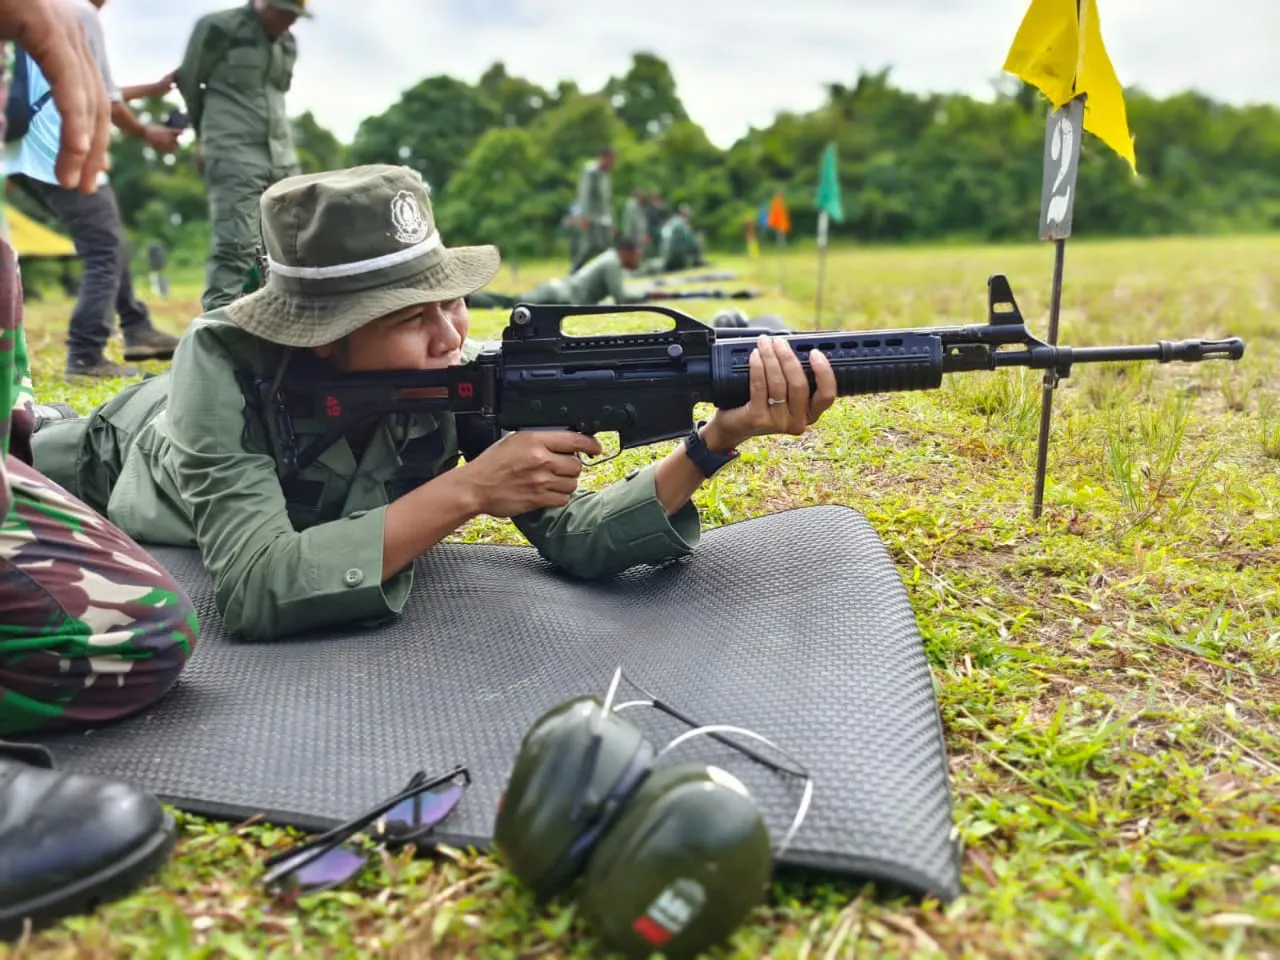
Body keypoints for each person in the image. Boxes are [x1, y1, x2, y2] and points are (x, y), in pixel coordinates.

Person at [31, 163, 838, 646]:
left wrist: (716, 441)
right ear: (324, 336)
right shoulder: (226, 373)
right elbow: (256, 588)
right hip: (122, 452)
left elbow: (578, 541)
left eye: (452, 300)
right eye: (413, 316)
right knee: (31, 452)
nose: (452, 330)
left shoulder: (453, 376)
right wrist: (469, 490)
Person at [0, 0, 197, 939]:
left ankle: (99, 354)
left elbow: (106, 98)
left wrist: (147, 110)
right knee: (125, 636)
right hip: (37, 150)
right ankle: (91, 347)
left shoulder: (76, 17)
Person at [5, 0, 183, 379]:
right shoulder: (80, 13)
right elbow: (105, 98)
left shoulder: (48, 9)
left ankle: (137, 327)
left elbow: (89, 85)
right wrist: (146, 132)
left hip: (21, 153)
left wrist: (152, 89)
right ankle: (86, 356)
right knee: (105, 247)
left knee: (108, 238)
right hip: (60, 149)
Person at [175, 0, 309, 313]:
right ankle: (218, 330)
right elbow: (190, 82)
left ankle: (277, 321)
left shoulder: (288, 43)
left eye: (295, 15)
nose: (289, 21)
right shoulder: (219, 28)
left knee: (292, 244)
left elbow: (277, 94)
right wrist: (204, 138)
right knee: (236, 244)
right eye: (283, 12)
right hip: (233, 149)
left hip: (282, 153)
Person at [466, 236, 648, 310]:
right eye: (637, 255)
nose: (639, 260)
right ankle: (467, 299)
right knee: (511, 304)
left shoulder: (610, 259)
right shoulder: (613, 263)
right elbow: (621, 299)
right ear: (627, 252)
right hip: (560, 296)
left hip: (558, 291)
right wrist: (646, 296)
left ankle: (468, 298)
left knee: (510, 302)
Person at [570, 145, 614, 273]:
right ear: (604, 158)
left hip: (602, 219)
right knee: (590, 247)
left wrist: (610, 221)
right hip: (590, 218)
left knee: (605, 247)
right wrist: (584, 217)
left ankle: (603, 272)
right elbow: (584, 194)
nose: (612, 164)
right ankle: (575, 271)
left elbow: (606, 201)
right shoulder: (591, 171)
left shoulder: (606, 176)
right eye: (611, 160)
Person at [637, 203, 707, 275]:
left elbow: (663, 237)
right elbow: (691, 242)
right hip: (676, 258)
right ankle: (697, 261)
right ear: (685, 215)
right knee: (698, 238)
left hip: (665, 255)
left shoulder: (670, 222)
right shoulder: (682, 225)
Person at [621, 185, 650, 255]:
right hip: (634, 236)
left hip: (636, 235)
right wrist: (640, 236)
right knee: (635, 252)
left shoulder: (637, 205)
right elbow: (635, 222)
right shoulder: (632, 205)